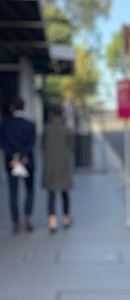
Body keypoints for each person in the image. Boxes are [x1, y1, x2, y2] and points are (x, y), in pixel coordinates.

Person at [0, 97, 36, 234]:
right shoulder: (31, 125)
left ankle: (16, 223)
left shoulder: (5, 124)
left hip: (11, 162)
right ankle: (27, 216)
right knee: (30, 190)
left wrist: (14, 157)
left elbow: (2, 142)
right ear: (24, 108)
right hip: (27, 161)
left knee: (13, 193)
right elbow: (31, 143)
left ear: (12, 108)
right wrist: (22, 157)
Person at [42, 105, 74, 233]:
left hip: (50, 164)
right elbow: (72, 146)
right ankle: (66, 218)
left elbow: (43, 146)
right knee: (65, 193)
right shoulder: (66, 129)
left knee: (51, 194)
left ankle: (52, 222)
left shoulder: (47, 128)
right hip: (64, 164)